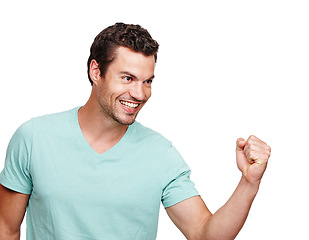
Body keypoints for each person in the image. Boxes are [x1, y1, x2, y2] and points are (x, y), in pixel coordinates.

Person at [0, 22, 271, 240]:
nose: (140, 94)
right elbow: (6, 229)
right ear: (96, 71)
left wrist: (249, 183)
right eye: (127, 78)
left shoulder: (160, 153)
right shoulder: (34, 138)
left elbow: (203, 234)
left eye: (147, 81)